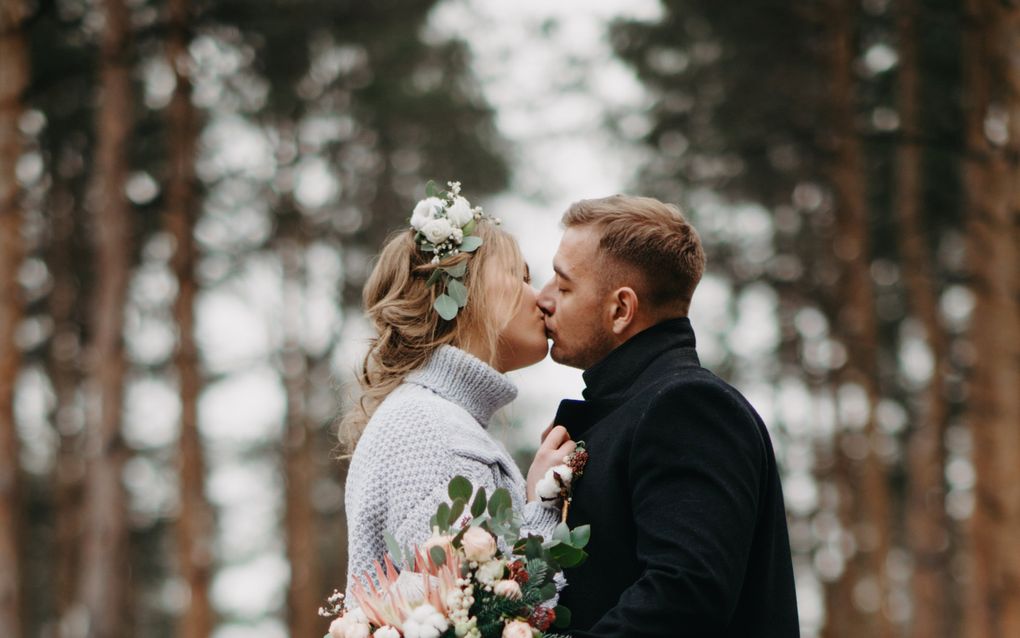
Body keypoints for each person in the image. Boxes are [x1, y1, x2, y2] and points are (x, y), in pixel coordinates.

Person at [538, 195, 799, 636]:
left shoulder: (688, 406)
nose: (544, 299)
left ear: (621, 309)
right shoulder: (636, 406)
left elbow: (684, 595)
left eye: (564, 287)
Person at [340, 183, 574, 595]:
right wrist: (542, 508)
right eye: (520, 277)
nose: (539, 298)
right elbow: (478, 605)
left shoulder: (437, 419)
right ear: (458, 292)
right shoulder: (430, 429)